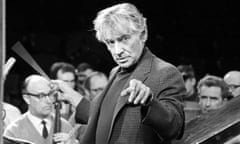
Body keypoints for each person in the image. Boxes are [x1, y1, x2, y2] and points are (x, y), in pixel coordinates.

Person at [53, 3, 185, 144]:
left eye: (124, 39)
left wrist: (149, 102)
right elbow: (103, 118)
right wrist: (70, 94)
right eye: (110, 42)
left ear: (143, 34)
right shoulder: (115, 72)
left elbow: (175, 127)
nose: (117, 51)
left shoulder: (165, 72)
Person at [3, 75, 78, 144]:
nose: (48, 101)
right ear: (27, 99)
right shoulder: (13, 131)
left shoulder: (65, 126)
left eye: (50, 94)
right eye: (41, 96)